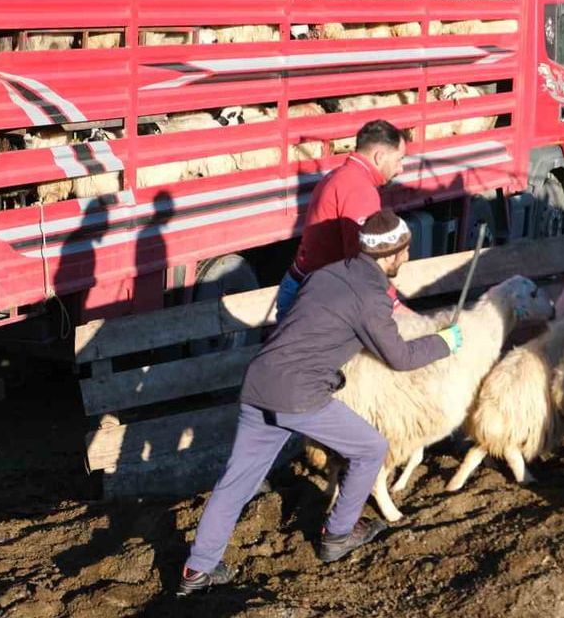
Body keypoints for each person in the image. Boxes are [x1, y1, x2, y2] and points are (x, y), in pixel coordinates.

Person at [177, 209, 462, 596]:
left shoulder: (327, 274)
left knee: (237, 479)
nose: (407, 258)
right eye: (405, 251)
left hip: (260, 381)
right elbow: (400, 357)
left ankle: (197, 570)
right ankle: (339, 535)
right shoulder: (371, 297)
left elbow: (307, 327)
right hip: (299, 394)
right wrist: (445, 341)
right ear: (393, 254)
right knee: (371, 448)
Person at [275, 119, 409, 320]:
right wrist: (394, 305)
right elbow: (363, 261)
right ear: (380, 157)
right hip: (313, 300)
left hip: (303, 288)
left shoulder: (342, 175)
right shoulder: (359, 190)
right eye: (399, 159)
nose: (401, 169)